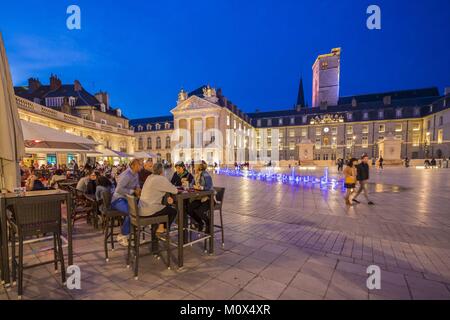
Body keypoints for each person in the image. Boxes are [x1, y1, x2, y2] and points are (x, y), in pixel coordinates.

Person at [139, 163, 178, 233]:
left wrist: (168, 195)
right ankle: (163, 230)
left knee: (164, 207)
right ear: (162, 171)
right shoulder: (161, 179)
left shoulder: (149, 177)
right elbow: (175, 190)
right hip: (150, 211)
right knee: (173, 211)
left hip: (141, 209)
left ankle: (160, 227)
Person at [111, 159, 142, 246]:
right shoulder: (126, 175)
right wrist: (133, 191)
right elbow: (119, 189)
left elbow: (137, 184)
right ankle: (123, 235)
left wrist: (138, 188)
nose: (141, 166)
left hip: (127, 199)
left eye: (141, 165)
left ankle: (132, 233)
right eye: (139, 165)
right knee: (131, 212)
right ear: (132, 166)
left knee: (138, 209)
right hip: (118, 199)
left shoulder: (136, 174)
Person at [187, 162, 214, 232]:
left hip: (208, 198)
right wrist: (191, 185)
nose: (193, 167)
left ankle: (208, 223)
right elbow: (191, 185)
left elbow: (208, 187)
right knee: (189, 209)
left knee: (199, 211)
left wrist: (200, 187)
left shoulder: (205, 175)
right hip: (199, 198)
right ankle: (200, 222)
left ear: (199, 167)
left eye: (195, 166)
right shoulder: (196, 175)